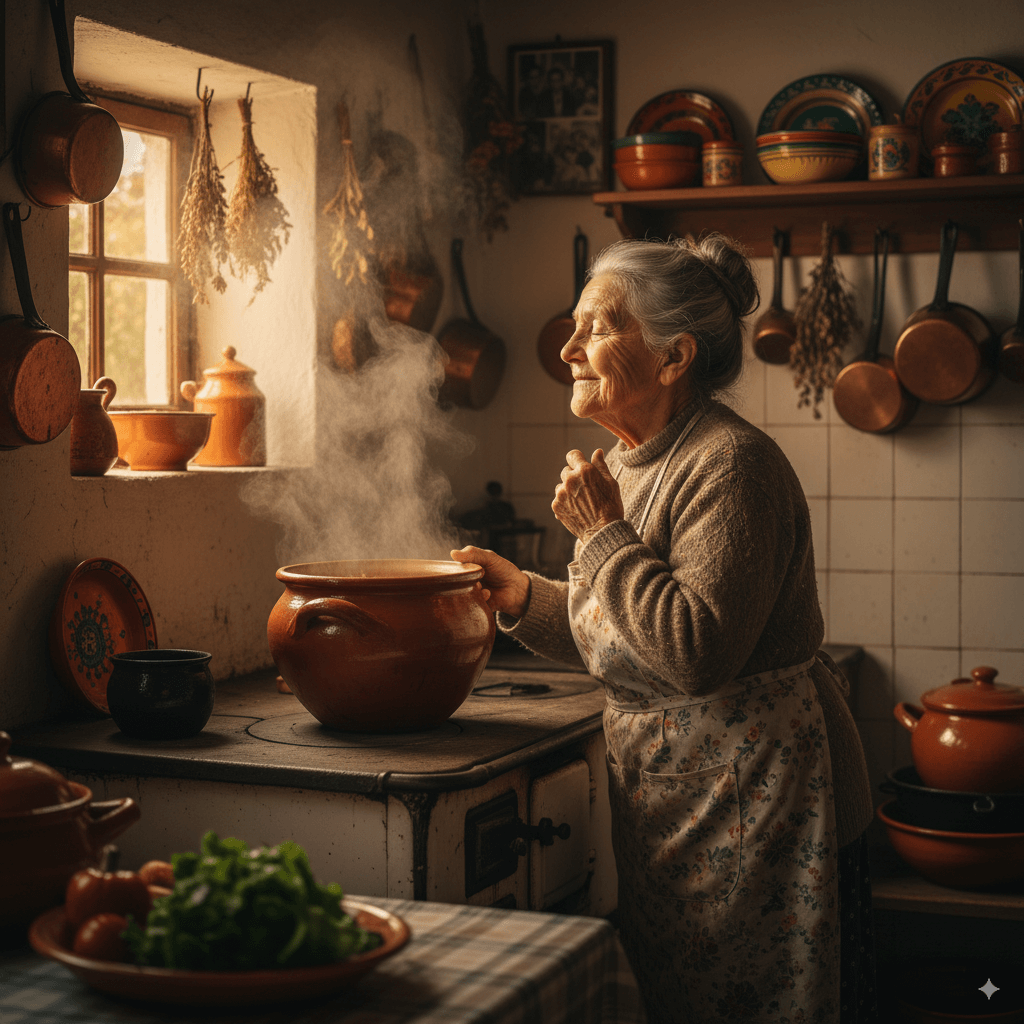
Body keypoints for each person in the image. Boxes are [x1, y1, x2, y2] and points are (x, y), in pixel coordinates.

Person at [452, 234, 878, 1024]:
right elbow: (623, 634)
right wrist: (522, 597)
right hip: (681, 800)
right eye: (574, 326)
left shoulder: (730, 464)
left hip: (769, 806)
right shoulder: (626, 464)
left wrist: (606, 536)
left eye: (598, 327)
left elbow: (693, 653)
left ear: (674, 356)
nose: (570, 347)